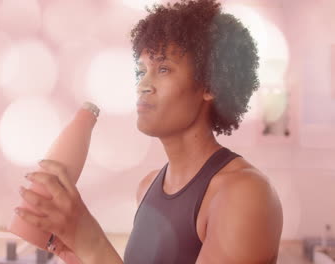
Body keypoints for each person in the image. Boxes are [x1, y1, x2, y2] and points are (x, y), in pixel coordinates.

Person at [14, 0, 283, 263]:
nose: (143, 84)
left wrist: (89, 239)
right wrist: (76, 251)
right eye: (141, 71)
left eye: (163, 69)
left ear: (209, 86)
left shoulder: (244, 195)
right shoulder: (148, 187)